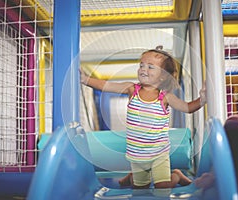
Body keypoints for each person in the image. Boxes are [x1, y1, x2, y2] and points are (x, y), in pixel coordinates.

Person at [80, 45, 206, 189]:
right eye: (141, 65)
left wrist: (202, 99)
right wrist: (85, 80)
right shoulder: (132, 89)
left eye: (150, 67)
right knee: (140, 189)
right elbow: (106, 86)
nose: (143, 69)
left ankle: (176, 175)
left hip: (159, 153)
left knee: (162, 187)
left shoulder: (165, 97)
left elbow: (188, 108)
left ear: (163, 74)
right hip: (137, 155)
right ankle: (131, 178)